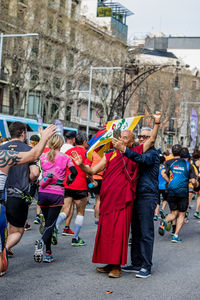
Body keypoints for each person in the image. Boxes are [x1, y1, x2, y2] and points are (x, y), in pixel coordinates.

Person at [71, 112, 161, 278]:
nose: (122, 139)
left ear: (131, 141)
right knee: (106, 232)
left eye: (126, 137)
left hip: (123, 200)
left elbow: (152, 140)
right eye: (121, 136)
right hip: (108, 198)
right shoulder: (110, 155)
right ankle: (109, 262)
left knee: (119, 233)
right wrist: (81, 164)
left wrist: (156, 123)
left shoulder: (136, 152)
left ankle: (117, 266)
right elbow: (92, 170)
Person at [0, 124, 57, 276]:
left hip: (2, 195)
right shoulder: (27, 150)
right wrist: (29, 182)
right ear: (24, 133)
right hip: (18, 195)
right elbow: (34, 172)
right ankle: (4, 249)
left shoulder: (1, 148)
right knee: (17, 230)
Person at [115, 126, 160, 278]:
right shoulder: (136, 151)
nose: (142, 139)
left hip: (147, 196)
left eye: (145, 137)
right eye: (140, 136)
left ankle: (146, 266)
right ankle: (136, 263)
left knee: (146, 233)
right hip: (135, 195)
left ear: (151, 139)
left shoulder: (153, 153)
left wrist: (125, 150)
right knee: (135, 232)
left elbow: (141, 160)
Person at [34, 134, 77, 263]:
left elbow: (36, 173)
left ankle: (48, 253)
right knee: (51, 224)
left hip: (43, 193)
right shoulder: (66, 157)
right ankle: (41, 242)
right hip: (56, 193)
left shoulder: (42, 157)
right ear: (61, 144)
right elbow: (74, 172)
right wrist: (69, 179)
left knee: (48, 223)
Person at [56, 132, 92, 246]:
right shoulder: (86, 153)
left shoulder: (68, 152)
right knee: (80, 212)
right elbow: (88, 169)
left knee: (65, 210)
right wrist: (92, 181)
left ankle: (55, 226)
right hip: (81, 186)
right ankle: (75, 238)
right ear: (85, 141)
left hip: (68, 184)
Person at [159, 146, 197, 242]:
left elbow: (163, 173)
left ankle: (165, 221)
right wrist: (195, 182)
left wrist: (169, 182)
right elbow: (193, 181)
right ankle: (175, 235)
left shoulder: (170, 163)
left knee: (173, 213)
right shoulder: (188, 165)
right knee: (181, 214)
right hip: (182, 192)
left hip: (171, 190)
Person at [192, 150, 200, 219]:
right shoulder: (199, 162)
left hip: (192, 180)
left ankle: (186, 212)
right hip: (198, 181)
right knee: (199, 196)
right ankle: (196, 211)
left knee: (189, 196)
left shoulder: (192, 162)